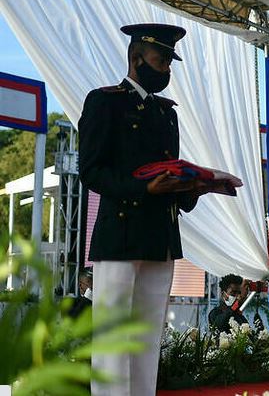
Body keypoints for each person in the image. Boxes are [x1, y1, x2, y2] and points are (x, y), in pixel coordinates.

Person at [79, 23, 209, 396]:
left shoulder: (166, 112)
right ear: (137, 58)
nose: (167, 69)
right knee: (114, 343)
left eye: (169, 62)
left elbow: (169, 169)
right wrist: (143, 188)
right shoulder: (105, 101)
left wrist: (192, 190)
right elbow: (91, 170)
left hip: (160, 235)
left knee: (148, 340)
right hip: (120, 234)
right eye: (161, 60)